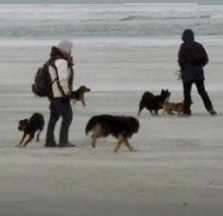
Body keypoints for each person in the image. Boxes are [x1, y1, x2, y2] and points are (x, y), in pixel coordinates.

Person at [178, 29, 217, 116]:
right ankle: (210, 108)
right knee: (202, 91)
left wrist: (183, 69)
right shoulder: (199, 46)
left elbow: (180, 61)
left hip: (187, 74)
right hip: (198, 73)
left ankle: (187, 111)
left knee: (187, 93)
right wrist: (199, 66)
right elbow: (206, 59)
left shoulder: (183, 47)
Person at [45, 39, 75, 147]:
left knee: (53, 117)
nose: (71, 51)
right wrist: (67, 93)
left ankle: (49, 141)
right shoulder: (61, 62)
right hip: (59, 95)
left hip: (52, 94)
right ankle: (63, 141)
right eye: (70, 49)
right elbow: (62, 80)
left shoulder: (52, 59)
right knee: (68, 116)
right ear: (65, 49)